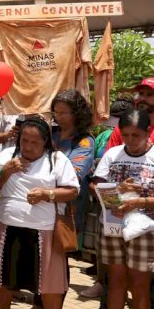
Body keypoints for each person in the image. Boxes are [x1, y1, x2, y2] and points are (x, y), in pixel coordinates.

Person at [0, 116, 79, 309]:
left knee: (49, 285)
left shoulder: (57, 160)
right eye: (24, 140)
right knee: (5, 280)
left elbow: (73, 191)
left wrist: (47, 194)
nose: (28, 146)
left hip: (45, 232)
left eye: (34, 142)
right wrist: (5, 172)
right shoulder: (7, 155)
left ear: (45, 141)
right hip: (9, 228)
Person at [93, 109, 154, 309]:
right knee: (116, 281)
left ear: (148, 131)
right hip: (112, 225)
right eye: (125, 134)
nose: (130, 140)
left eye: (135, 135)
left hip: (144, 230)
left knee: (139, 284)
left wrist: (140, 202)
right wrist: (118, 192)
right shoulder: (112, 154)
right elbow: (94, 186)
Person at [51, 89, 95, 236]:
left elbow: (73, 174)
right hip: (44, 204)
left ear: (77, 114)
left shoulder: (85, 142)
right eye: (55, 112)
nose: (58, 117)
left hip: (69, 208)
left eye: (63, 113)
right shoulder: (49, 133)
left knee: (60, 250)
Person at [106, 78, 154, 150]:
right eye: (141, 93)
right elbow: (110, 158)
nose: (143, 99)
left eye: (149, 94)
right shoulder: (122, 129)